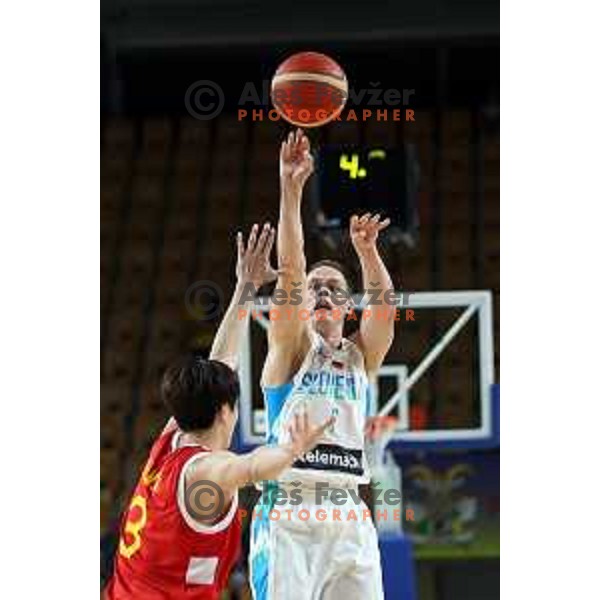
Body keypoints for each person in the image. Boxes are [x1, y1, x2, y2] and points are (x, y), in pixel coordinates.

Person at [104, 223, 333, 600]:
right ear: (227, 411)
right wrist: (292, 449)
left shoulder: (171, 442)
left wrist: (246, 288)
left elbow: (220, 362)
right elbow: (252, 467)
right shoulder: (206, 470)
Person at [250, 130, 396, 600]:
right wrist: (291, 189)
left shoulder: (360, 356)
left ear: (349, 304)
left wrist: (368, 253)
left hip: (348, 513)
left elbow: (386, 310)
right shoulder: (292, 346)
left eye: (334, 286)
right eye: (316, 286)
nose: (324, 291)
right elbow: (292, 271)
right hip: (290, 513)